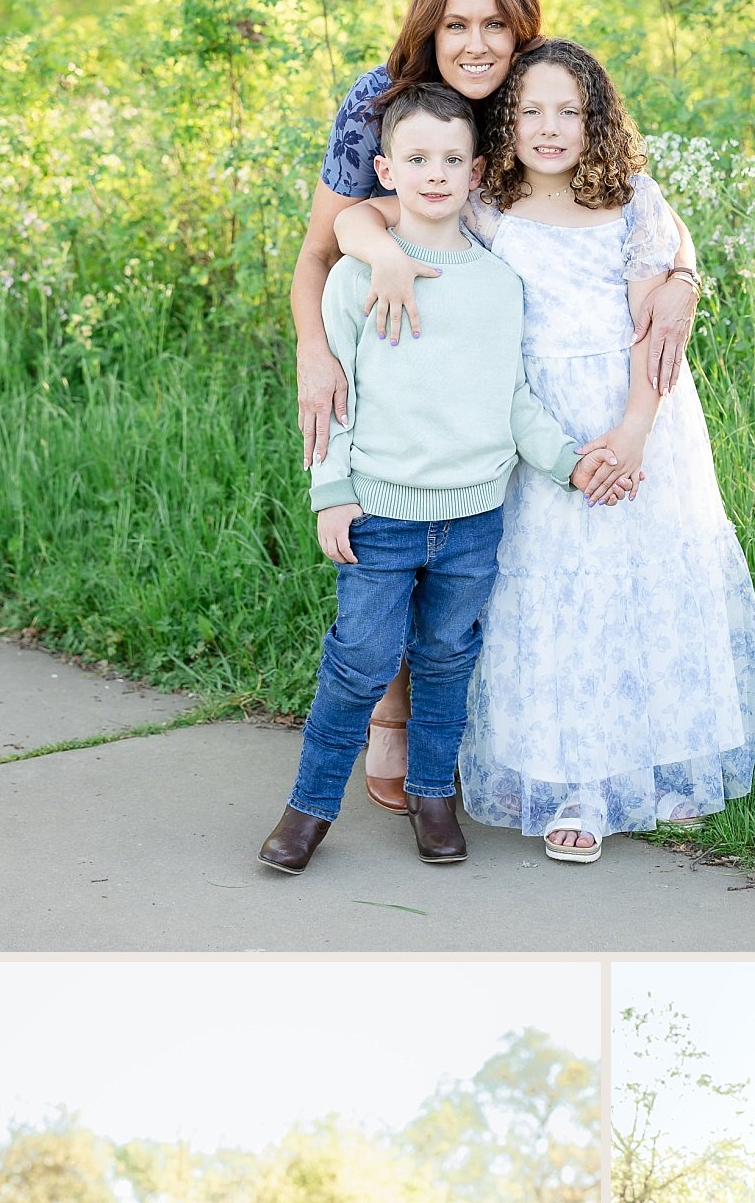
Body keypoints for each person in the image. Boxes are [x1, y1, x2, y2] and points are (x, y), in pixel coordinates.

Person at [288, 0, 699, 811]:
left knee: (479, 568)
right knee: (397, 528)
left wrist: (682, 286)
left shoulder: (539, 95)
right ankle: (388, 718)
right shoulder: (381, 101)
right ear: (426, 29)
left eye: (495, 26)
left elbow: (640, 209)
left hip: (503, 378)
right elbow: (327, 242)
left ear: (523, 33)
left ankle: (478, 732)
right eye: (455, 24)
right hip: (391, 340)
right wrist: (319, 342)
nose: (476, 43)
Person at [336, 39, 755, 858]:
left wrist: (635, 430)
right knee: (554, 603)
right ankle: (572, 784)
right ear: (507, 120)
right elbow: (358, 215)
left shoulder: (631, 198)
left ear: (596, 119)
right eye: (530, 110)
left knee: (642, 590)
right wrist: (382, 249)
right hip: (533, 426)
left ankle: (656, 769)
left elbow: (651, 318)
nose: (550, 127)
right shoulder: (487, 199)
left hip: (631, 417)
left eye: (569, 111)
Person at [260, 86, 622, 878]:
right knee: (358, 659)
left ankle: (433, 797)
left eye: (452, 160)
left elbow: (515, 399)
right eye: (417, 160)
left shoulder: (498, 286)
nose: (435, 174)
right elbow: (337, 400)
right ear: (386, 169)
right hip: (380, 513)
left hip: (472, 518)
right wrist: (333, 491)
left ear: (477, 170)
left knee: (447, 659)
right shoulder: (356, 280)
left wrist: (567, 461)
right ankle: (309, 807)